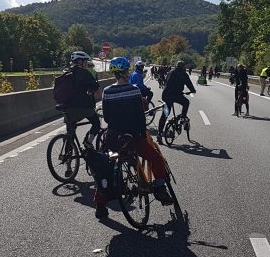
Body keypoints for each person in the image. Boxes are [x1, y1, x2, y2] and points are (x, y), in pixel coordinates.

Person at [99, 57, 173, 219]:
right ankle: (160, 188)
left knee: (107, 163)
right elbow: (140, 117)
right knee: (156, 158)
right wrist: (140, 133)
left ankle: (102, 199)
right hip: (133, 137)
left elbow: (107, 118)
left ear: (113, 73)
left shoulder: (107, 92)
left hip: (114, 138)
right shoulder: (134, 90)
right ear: (127, 72)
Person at [62, 51, 101, 146]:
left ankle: (67, 154)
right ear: (80, 61)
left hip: (67, 107)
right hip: (83, 107)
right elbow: (97, 90)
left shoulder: (66, 72)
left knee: (70, 130)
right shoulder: (85, 73)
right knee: (96, 123)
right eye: (85, 61)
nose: (87, 63)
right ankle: (88, 142)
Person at [157, 60, 196, 142]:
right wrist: (193, 90)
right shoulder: (183, 73)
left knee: (165, 114)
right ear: (183, 67)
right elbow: (189, 83)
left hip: (166, 95)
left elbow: (166, 81)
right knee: (186, 102)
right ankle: (182, 117)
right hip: (176, 95)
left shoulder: (171, 72)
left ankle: (159, 133)